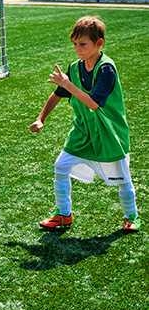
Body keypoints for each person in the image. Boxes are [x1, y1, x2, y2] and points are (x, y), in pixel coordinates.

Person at [30, 16, 142, 232]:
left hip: (108, 131)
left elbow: (93, 103)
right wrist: (40, 118)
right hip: (83, 131)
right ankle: (64, 215)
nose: (77, 49)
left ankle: (133, 217)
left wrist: (67, 85)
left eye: (83, 44)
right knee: (61, 166)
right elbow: (57, 93)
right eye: (75, 44)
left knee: (122, 178)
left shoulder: (106, 68)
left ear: (99, 44)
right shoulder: (74, 68)